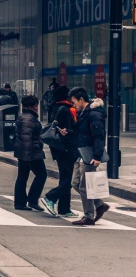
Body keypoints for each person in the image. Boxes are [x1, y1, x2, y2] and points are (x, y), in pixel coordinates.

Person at [68, 87, 109, 226]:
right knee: (75, 182)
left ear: (81, 99)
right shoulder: (83, 113)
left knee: (85, 186)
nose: (73, 105)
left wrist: (97, 156)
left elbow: (99, 136)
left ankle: (89, 216)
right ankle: (99, 204)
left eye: (74, 102)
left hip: (90, 154)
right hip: (81, 153)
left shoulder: (94, 114)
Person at [40, 85, 77, 217]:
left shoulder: (54, 107)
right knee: (70, 179)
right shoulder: (66, 110)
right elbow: (68, 130)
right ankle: (51, 197)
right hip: (67, 148)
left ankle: (64, 208)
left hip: (57, 147)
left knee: (64, 177)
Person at [12, 95, 47, 211]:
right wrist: (28, 157)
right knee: (42, 175)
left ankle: (20, 203)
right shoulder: (29, 119)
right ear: (32, 106)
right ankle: (32, 200)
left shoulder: (24, 116)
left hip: (24, 152)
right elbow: (26, 138)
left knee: (22, 177)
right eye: (36, 105)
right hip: (31, 153)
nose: (37, 108)